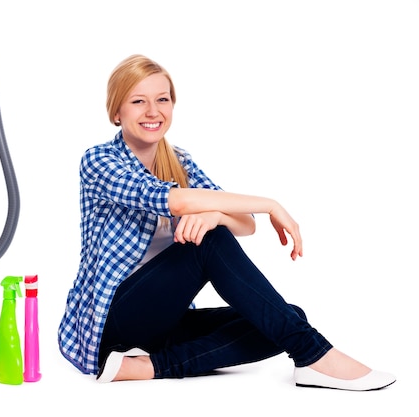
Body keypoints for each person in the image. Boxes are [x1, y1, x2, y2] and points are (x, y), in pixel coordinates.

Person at [57, 54, 395, 391]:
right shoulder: (100, 160)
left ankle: (146, 367)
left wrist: (217, 214)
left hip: (163, 319)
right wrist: (270, 204)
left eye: (162, 99)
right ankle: (314, 354)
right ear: (117, 112)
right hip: (111, 320)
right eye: (138, 101)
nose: (152, 111)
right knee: (211, 240)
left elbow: (243, 223)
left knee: (287, 316)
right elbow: (177, 201)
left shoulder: (180, 162)